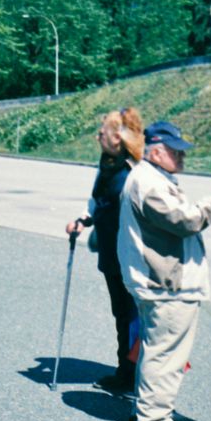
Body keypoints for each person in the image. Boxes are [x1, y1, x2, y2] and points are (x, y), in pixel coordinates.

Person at [119, 120, 211, 421]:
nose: (182, 157)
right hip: (165, 284)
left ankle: (150, 409)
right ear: (156, 152)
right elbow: (187, 220)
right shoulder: (150, 184)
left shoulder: (149, 177)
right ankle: (153, 419)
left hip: (158, 282)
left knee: (157, 349)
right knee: (166, 354)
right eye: (175, 152)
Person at [66, 107, 144, 394]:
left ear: (117, 138)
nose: (98, 136)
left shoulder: (133, 171)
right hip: (112, 252)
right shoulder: (108, 165)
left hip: (130, 255)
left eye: (102, 132)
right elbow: (97, 201)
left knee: (133, 315)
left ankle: (134, 374)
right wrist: (83, 220)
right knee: (122, 313)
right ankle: (126, 370)